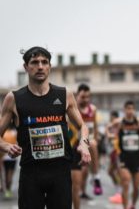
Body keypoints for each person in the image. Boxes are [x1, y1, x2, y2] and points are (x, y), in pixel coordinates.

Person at [0, 46, 91, 209]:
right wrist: (6, 146)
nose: (40, 66)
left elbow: (83, 126)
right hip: (31, 174)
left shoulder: (64, 95)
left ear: (49, 66)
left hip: (60, 172)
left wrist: (84, 144)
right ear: (26, 67)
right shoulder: (14, 98)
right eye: (34, 62)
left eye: (44, 62)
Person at [117, 101, 139, 209]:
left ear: (134, 110)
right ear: (124, 110)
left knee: (137, 187)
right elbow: (108, 128)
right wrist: (110, 135)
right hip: (124, 158)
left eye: (132, 109)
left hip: (137, 159)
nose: (130, 111)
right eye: (128, 108)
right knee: (126, 183)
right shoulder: (120, 123)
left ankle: (132, 205)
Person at [76, 83, 103, 198]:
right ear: (77, 95)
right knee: (82, 170)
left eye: (88, 97)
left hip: (90, 141)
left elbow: (95, 126)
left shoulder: (93, 109)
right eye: (83, 97)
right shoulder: (74, 109)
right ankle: (94, 178)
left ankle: (93, 178)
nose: (86, 99)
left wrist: (96, 139)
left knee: (85, 170)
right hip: (76, 143)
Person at [106, 110, 123, 204]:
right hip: (112, 151)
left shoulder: (119, 125)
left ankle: (120, 193)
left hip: (118, 151)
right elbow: (108, 136)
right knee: (111, 171)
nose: (112, 121)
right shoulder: (111, 126)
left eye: (113, 119)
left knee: (119, 171)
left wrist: (111, 135)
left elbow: (115, 136)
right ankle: (118, 190)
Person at [1, 124, 18, 199]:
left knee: (5, 172)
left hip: (4, 156)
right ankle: (9, 189)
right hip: (13, 156)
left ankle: (7, 190)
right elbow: (17, 143)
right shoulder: (14, 132)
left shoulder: (4, 133)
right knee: (10, 173)